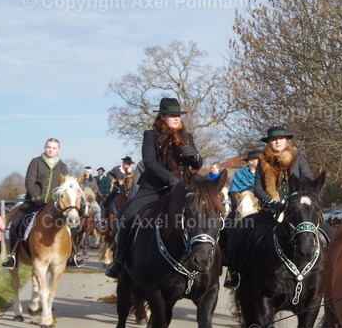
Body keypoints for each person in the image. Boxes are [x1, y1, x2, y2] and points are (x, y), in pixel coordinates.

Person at [104, 98, 202, 279]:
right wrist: (171, 180)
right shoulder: (150, 135)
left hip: (184, 186)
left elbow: (197, 163)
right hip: (155, 187)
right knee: (127, 215)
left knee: (209, 211)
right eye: (172, 115)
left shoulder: (187, 137)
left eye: (178, 115)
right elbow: (149, 162)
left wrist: (194, 156)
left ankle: (219, 257)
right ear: (162, 116)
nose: (176, 118)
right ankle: (119, 261)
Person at [223, 125, 320, 288]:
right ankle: (236, 273)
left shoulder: (299, 158)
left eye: (280, 139)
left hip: (297, 206)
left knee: (328, 232)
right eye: (273, 139)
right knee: (244, 230)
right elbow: (258, 188)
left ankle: (328, 273)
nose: (277, 142)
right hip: (272, 207)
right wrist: (273, 202)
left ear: (286, 140)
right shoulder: (262, 160)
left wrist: (296, 197)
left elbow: (308, 180)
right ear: (268, 142)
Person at [2, 138, 67, 269]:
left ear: (58, 150)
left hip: (53, 204)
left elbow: (63, 186)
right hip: (32, 201)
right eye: (49, 147)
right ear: (45, 147)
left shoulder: (63, 166)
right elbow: (29, 181)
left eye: (54, 148)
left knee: (69, 226)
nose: (51, 150)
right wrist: (35, 197)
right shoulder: (36, 162)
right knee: (15, 223)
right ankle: (13, 256)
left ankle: (72, 254)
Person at [226, 149, 261, 216]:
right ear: (250, 162)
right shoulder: (240, 173)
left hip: (260, 202)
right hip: (241, 201)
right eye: (258, 160)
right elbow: (233, 191)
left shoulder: (264, 174)